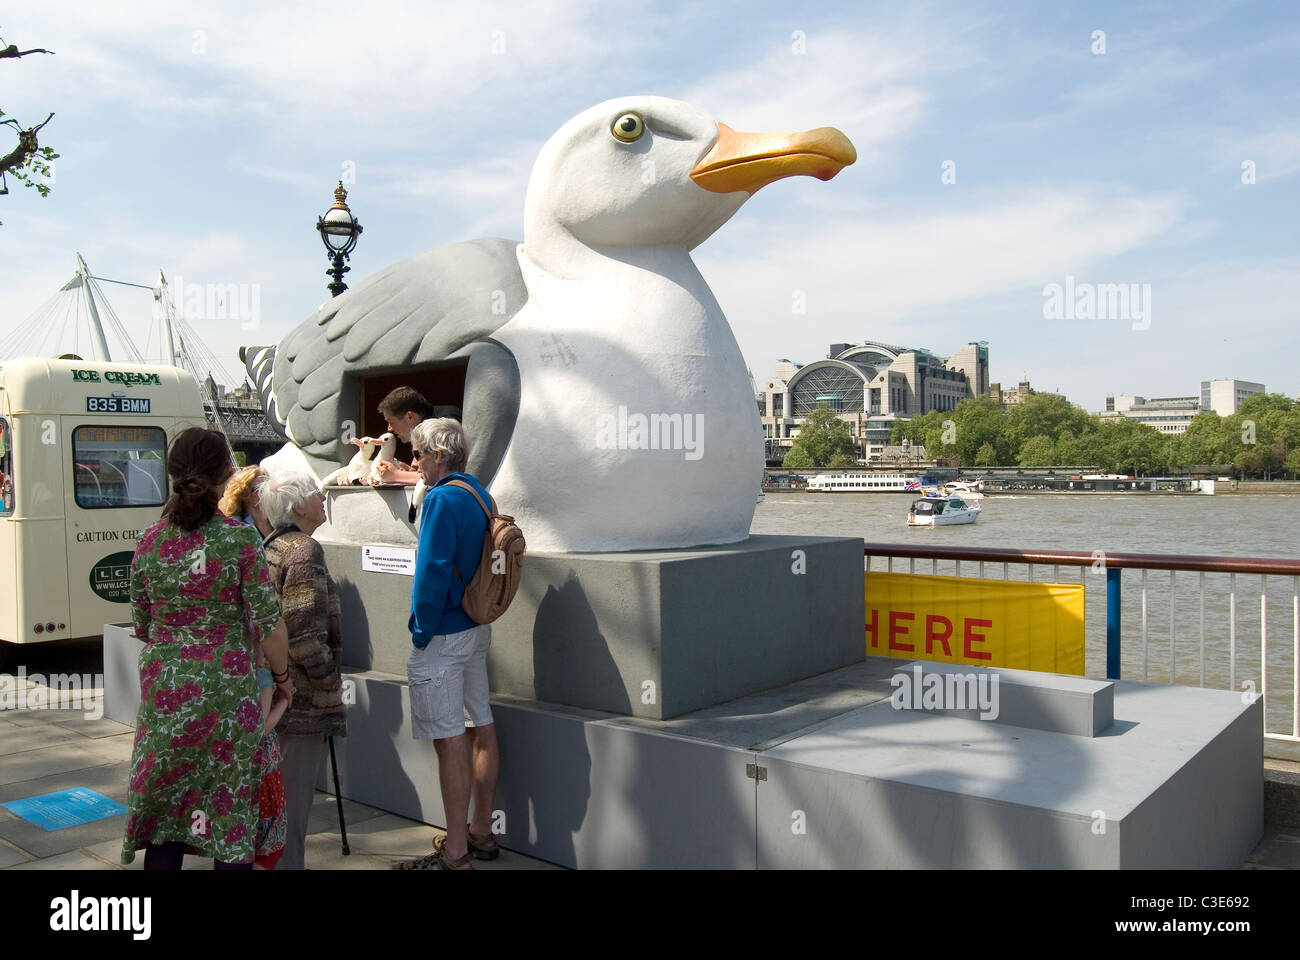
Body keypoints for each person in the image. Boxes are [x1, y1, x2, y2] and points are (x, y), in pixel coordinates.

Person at [121, 427, 292, 870]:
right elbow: (269, 626)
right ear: (224, 477)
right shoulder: (239, 539)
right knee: (228, 814)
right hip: (226, 699)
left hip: (166, 698)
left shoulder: (150, 541)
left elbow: (142, 624)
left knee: (167, 816)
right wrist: (283, 678)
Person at [400, 417, 499, 870]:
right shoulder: (481, 494)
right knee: (481, 723)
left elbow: (431, 573)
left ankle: (455, 851)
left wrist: (421, 632)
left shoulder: (440, 499)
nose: (413, 461)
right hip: (476, 627)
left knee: (449, 738)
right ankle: (481, 831)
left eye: (418, 453)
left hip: (443, 635)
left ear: (439, 455)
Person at [256, 471, 347, 870]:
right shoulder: (302, 551)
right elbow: (305, 635)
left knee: (273, 804)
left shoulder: (270, 546)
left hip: (274, 695)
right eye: (314, 493)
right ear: (296, 507)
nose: (322, 496)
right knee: (292, 807)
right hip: (301, 700)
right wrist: (330, 684)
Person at [372, 386, 433, 485]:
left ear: (410, 417)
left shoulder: (441, 428)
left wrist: (396, 475)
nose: (389, 429)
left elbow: (445, 475)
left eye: (391, 422)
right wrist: (411, 473)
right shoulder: (421, 430)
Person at [220, 465, 272, 537]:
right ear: (245, 495)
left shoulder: (279, 517)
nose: (268, 491)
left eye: (268, 486)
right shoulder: (237, 527)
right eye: (260, 488)